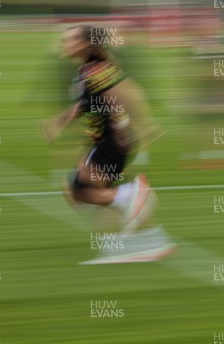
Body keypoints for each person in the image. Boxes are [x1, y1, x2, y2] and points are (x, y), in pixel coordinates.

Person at [43, 24, 175, 264]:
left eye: (69, 39)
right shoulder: (90, 70)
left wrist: (132, 126)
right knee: (82, 191)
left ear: (85, 44)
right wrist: (59, 121)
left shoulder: (93, 71)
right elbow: (86, 103)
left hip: (112, 141)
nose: (64, 43)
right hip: (106, 141)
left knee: (81, 190)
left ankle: (131, 194)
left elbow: (121, 96)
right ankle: (147, 242)